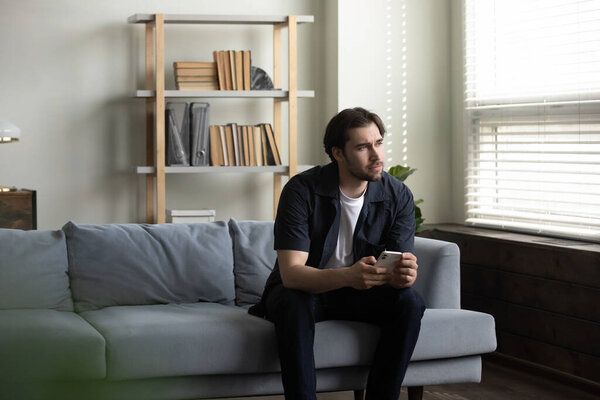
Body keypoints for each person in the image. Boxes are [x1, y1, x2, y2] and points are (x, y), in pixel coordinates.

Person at [249, 107, 425, 400]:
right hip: (307, 291)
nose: (377, 155)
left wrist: (403, 276)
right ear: (338, 153)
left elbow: (397, 269)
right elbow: (291, 274)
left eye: (378, 143)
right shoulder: (302, 190)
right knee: (292, 302)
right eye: (362, 147)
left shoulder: (398, 196)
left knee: (410, 302)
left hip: (363, 292)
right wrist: (348, 275)